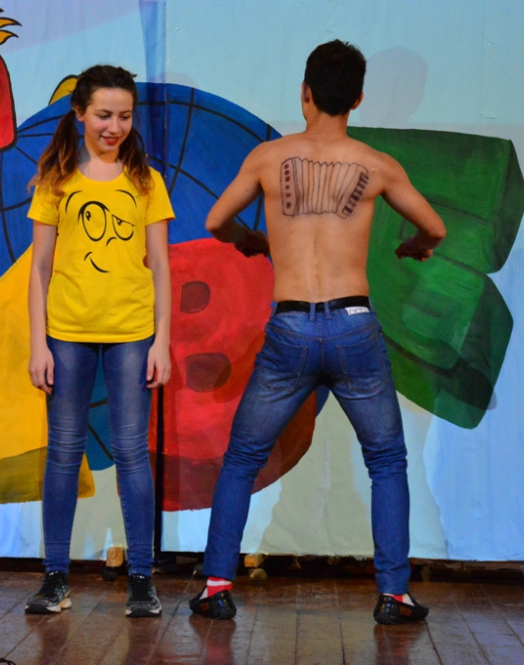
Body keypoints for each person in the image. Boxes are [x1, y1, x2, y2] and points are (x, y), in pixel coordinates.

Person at [188, 40, 446, 625]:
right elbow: (434, 227)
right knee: (386, 461)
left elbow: (216, 220)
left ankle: (217, 586)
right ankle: (394, 594)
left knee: (242, 457)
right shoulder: (376, 164)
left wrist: (252, 241)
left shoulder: (268, 158)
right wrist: (415, 246)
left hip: (291, 327)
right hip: (354, 328)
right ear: (358, 99)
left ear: (304, 93)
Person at [25, 64, 174, 618]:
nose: (115, 127)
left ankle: (141, 578)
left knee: (132, 453)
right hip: (66, 333)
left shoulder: (146, 182)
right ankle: (55, 577)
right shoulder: (56, 181)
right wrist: (38, 344)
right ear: (80, 114)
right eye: (104, 115)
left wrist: (162, 341)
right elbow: (39, 268)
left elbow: (161, 267)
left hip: (132, 333)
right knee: (63, 453)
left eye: (125, 116)